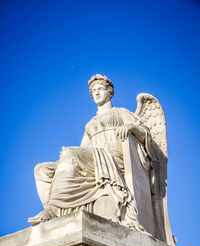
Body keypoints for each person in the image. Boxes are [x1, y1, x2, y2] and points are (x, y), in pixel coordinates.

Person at [28, 74, 151, 231]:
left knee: (70, 154)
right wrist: (65, 158)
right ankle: (57, 215)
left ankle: (52, 210)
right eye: (93, 91)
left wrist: (132, 127)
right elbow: (83, 149)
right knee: (41, 169)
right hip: (94, 158)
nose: (97, 93)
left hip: (112, 158)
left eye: (100, 89)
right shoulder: (90, 124)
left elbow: (146, 134)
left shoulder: (121, 112)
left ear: (109, 92)